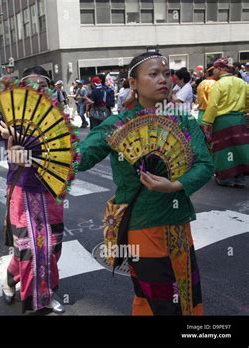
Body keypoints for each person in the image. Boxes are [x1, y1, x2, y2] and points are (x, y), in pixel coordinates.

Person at [78, 52, 213, 315]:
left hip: (178, 225)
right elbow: (79, 159)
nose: (163, 80)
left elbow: (204, 165)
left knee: (186, 293)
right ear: (133, 83)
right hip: (141, 226)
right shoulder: (116, 125)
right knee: (160, 300)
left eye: (166, 74)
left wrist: (175, 186)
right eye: (153, 74)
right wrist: (38, 148)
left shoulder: (184, 120)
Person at [0, 66, 66, 314]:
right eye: (31, 83)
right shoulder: (11, 115)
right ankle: (38, 300)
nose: (37, 88)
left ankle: (26, 282)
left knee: (51, 245)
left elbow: (52, 152)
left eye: (42, 84)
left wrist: (16, 134)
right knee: (28, 246)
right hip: (23, 187)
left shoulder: (56, 115)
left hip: (50, 187)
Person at [201, 57, 249, 188]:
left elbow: (213, 106)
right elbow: (248, 100)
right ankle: (238, 177)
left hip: (222, 121)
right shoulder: (242, 83)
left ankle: (225, 177)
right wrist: (242, 110)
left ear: (220, 68)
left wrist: (207, 123)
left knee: (223, 149)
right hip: (238, 119)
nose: (213, 72)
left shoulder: (219, 85)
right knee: (239, 148)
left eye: (215, 69)